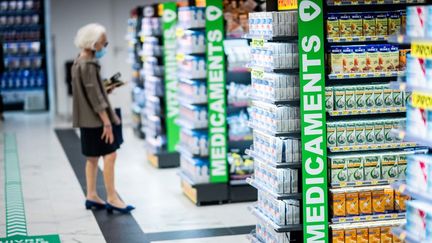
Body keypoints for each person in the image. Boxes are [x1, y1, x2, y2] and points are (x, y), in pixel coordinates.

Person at [71, 23, 134, 214]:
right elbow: (95, 97)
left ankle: (91, 195)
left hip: (85, 119)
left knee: (92, 157)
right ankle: (113, 197)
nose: (104, 47)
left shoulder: (78, 62)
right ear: (93, 43)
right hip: (97, 119)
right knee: (110, 154)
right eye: (103, 43)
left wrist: (106, 87)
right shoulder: (89, 65)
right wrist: (107, 121)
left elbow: (90, 91)